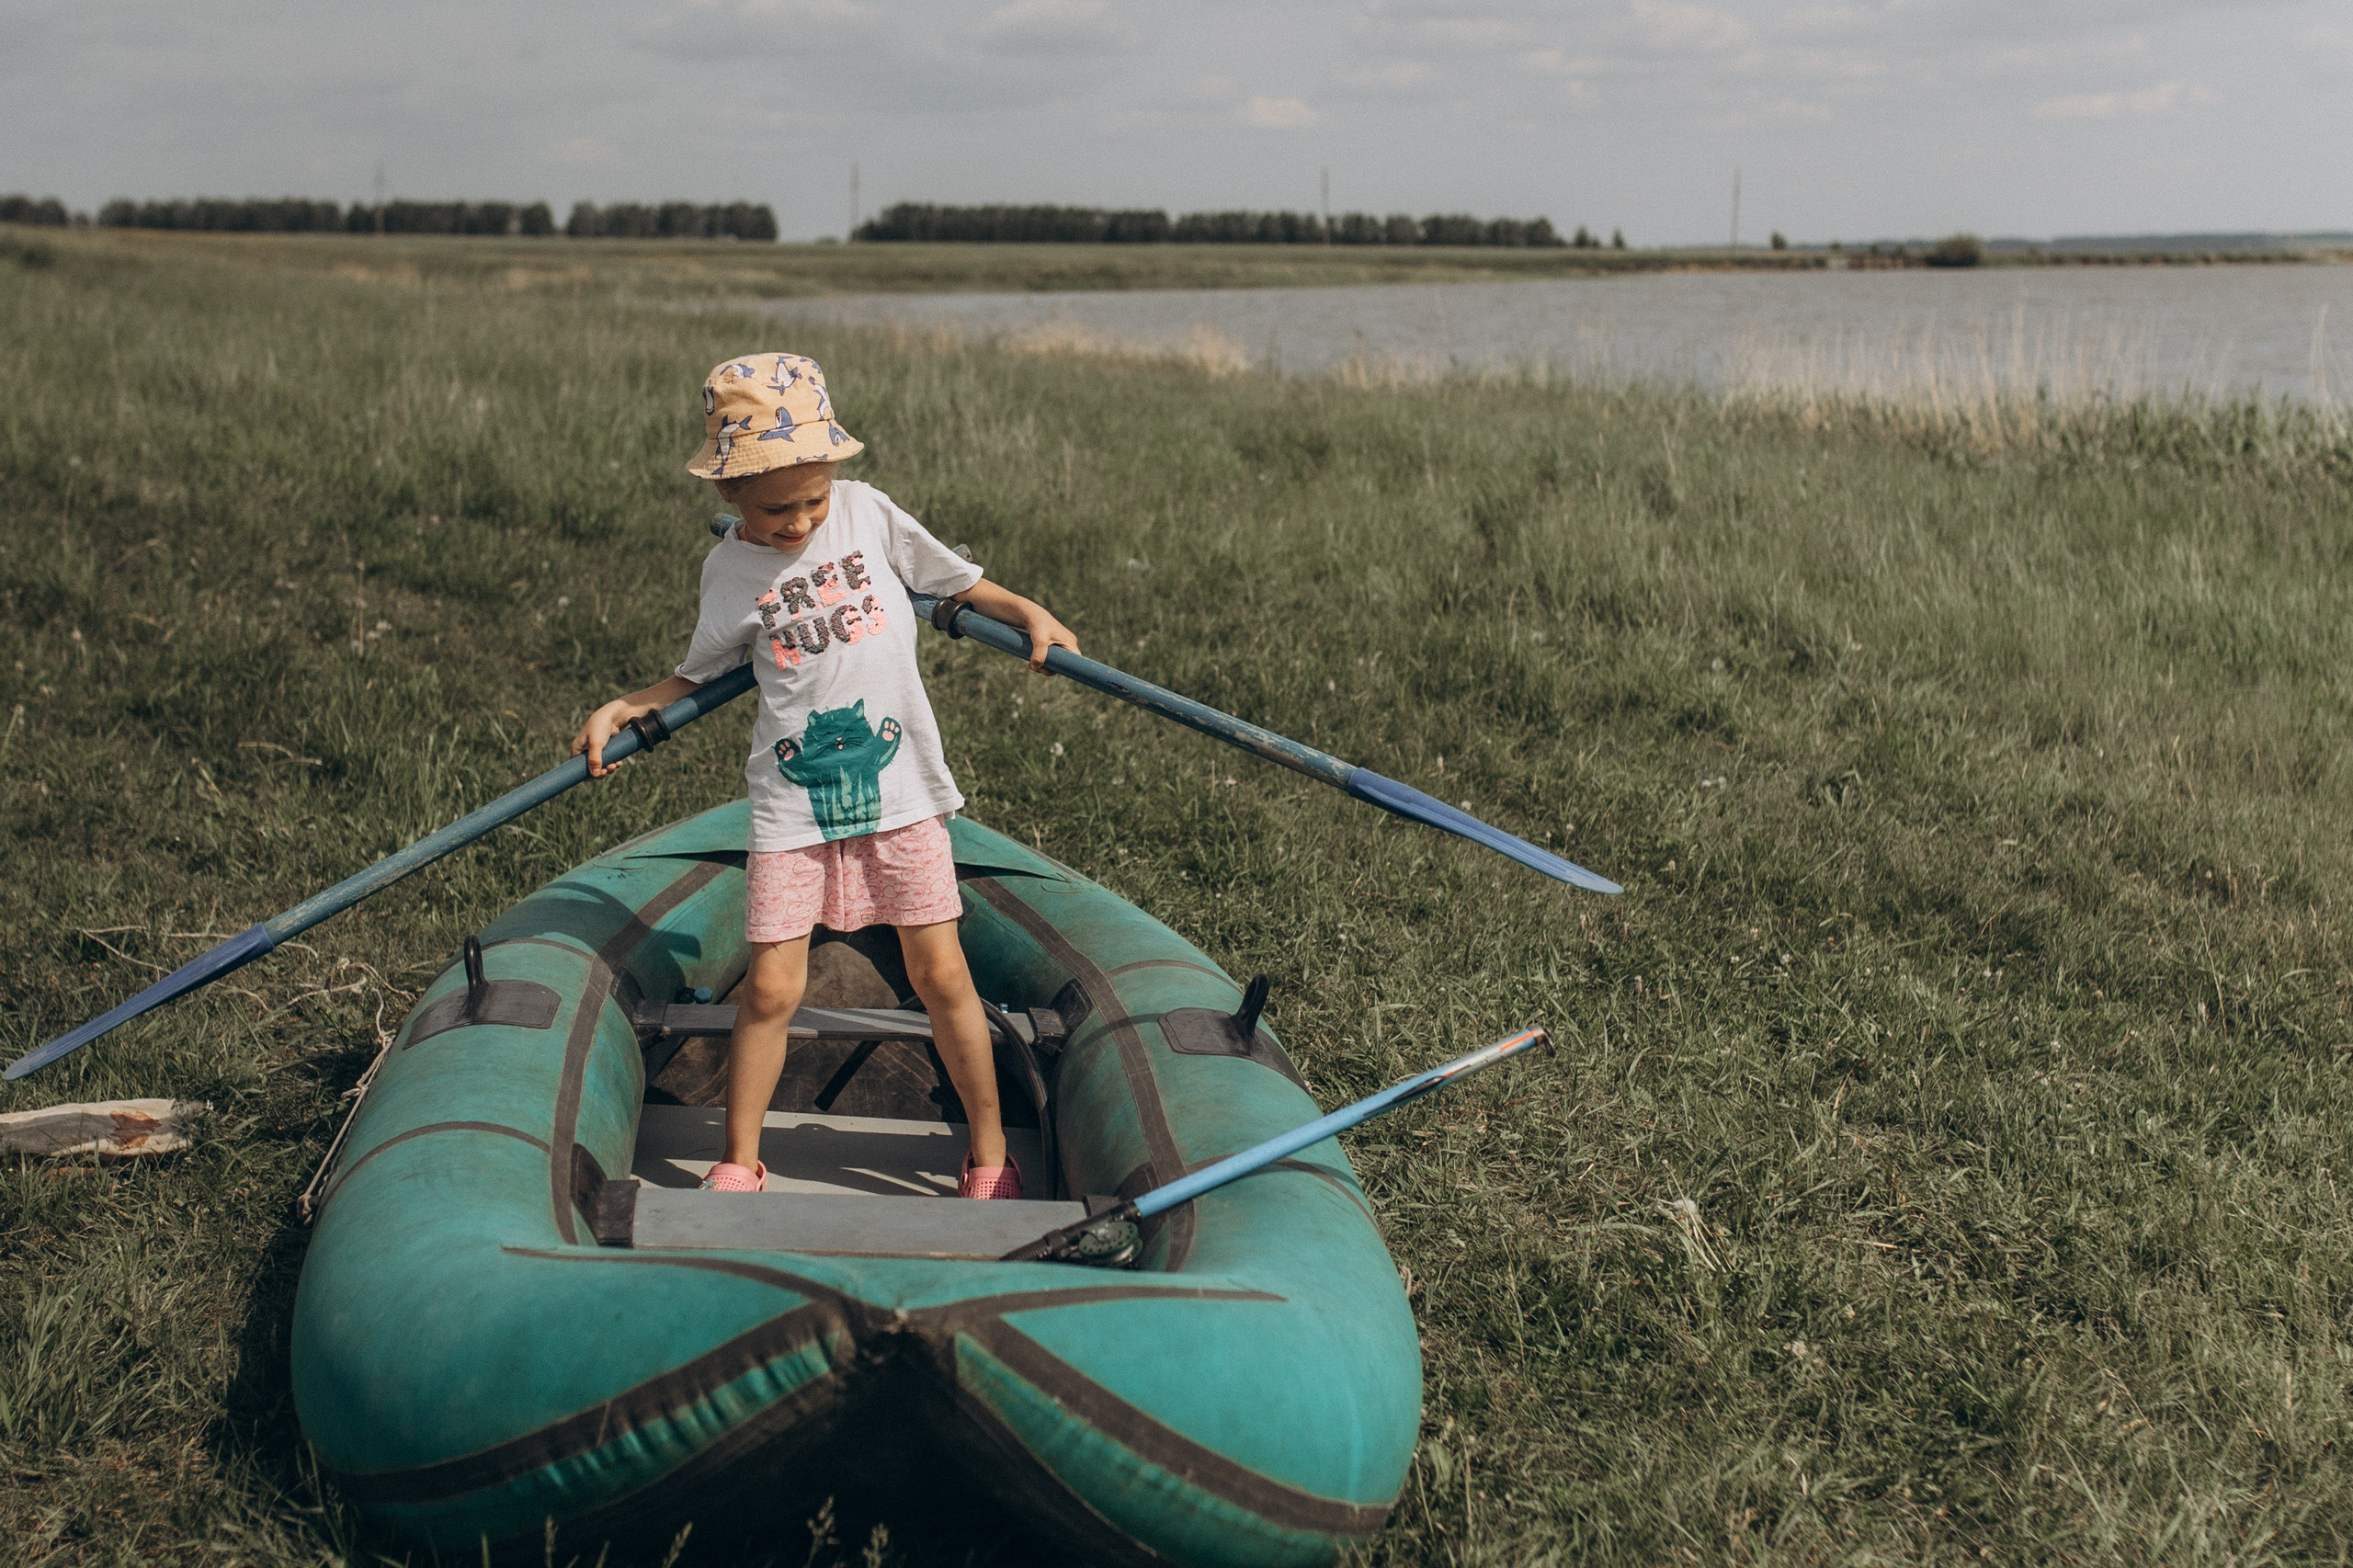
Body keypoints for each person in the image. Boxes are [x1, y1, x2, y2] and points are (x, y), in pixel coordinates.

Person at [571, 352, 1076, 1198]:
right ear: (728, 495)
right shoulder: (730, 569)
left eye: (814, 499)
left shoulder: (868, 514)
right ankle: (739, 1161)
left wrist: (1024, 611)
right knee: (771, 985)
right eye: (776, 509)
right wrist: (629, 703)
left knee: (942, 972)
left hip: (903, 791)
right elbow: (698, 674)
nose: (800, 521)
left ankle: (990, 1156)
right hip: (791, 808)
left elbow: (959, 580)